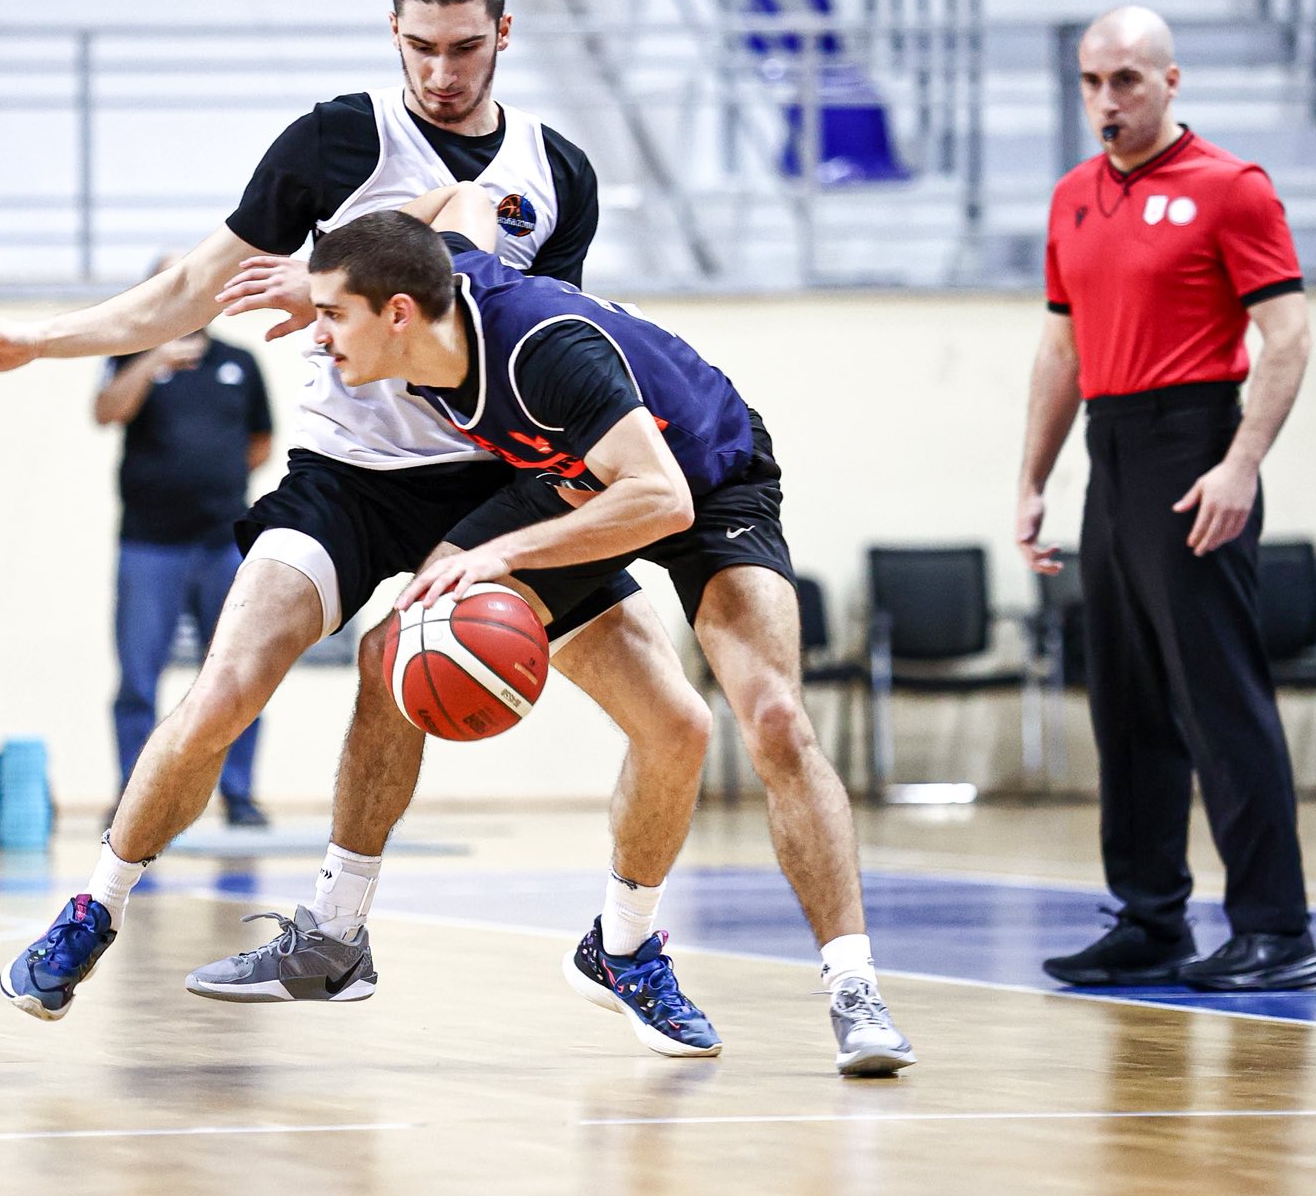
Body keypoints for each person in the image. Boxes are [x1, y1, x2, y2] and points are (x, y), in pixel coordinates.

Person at [0, 0, 726, 1059]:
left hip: (500, 479)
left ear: (504, 33)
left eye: (464, 48)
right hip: (347, 474)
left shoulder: (559, 173)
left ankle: (618, 945)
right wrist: (38, 340)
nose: (441, 72)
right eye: (419, 47)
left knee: (675, 721)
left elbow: (538, 324)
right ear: (391, 32)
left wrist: (333, 280)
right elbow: (188, 288)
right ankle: (94, 909)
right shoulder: (337, 140)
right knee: (223, 688)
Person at [234, 190, 915, 1076]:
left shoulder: (543, 350)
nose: (317, 335)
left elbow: (662, 497)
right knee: (395, 648)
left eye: (333, 316)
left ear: (396, 313)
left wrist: (506, 552)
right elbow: (467, 198)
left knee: (776, 721)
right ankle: (336, 932)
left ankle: (849, 989)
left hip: (707, 477)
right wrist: (325, 273)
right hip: (575, 481)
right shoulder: (437, 289)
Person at [1015, 5, 1316, 993]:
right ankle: (1150, 919)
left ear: (1169, 81)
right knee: (1126, 700)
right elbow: (1061, 351)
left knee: (1217, 697)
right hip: (1110, 455)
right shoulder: (1071, 197)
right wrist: (1031, 479)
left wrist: (1239, 464)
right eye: (1090, 81)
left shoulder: (1231, 188)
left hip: (1192, 447)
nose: (1105, 99)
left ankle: (1276, 929)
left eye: (1126, 80)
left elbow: (1288, 338)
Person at [96, 263, 274, 828]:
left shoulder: (240, 363)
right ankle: (134, 794)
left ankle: (238, 795)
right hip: (149, 545)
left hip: (223, 543)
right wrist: (154, 360)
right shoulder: (131, 353)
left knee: (236, 674)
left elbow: (261, 442)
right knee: (137, 677)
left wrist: (211, 480)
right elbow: (106, 411)